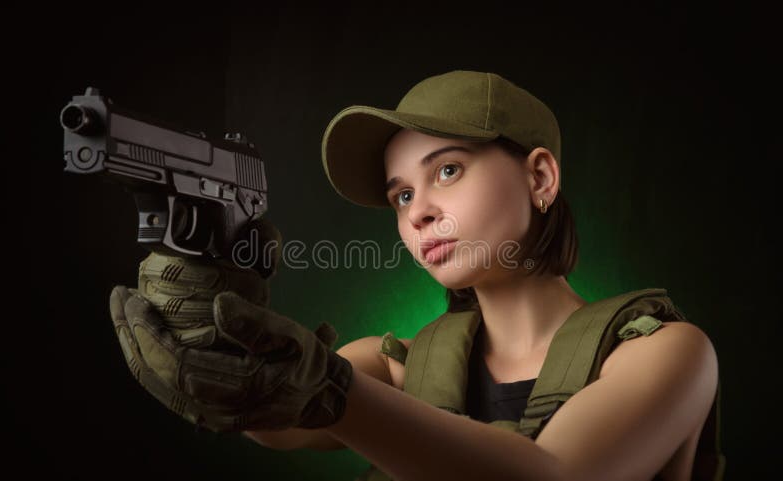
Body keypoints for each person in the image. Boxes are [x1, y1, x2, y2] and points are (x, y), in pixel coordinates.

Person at [110, 70, 724, 481]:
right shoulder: (397, 368)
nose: (420, 210)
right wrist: (205, 292)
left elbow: (553, 473)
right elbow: (276, 425)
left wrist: (329, 393)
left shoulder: (667, 354)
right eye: (401, 196)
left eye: (448, 170)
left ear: (539, 178)